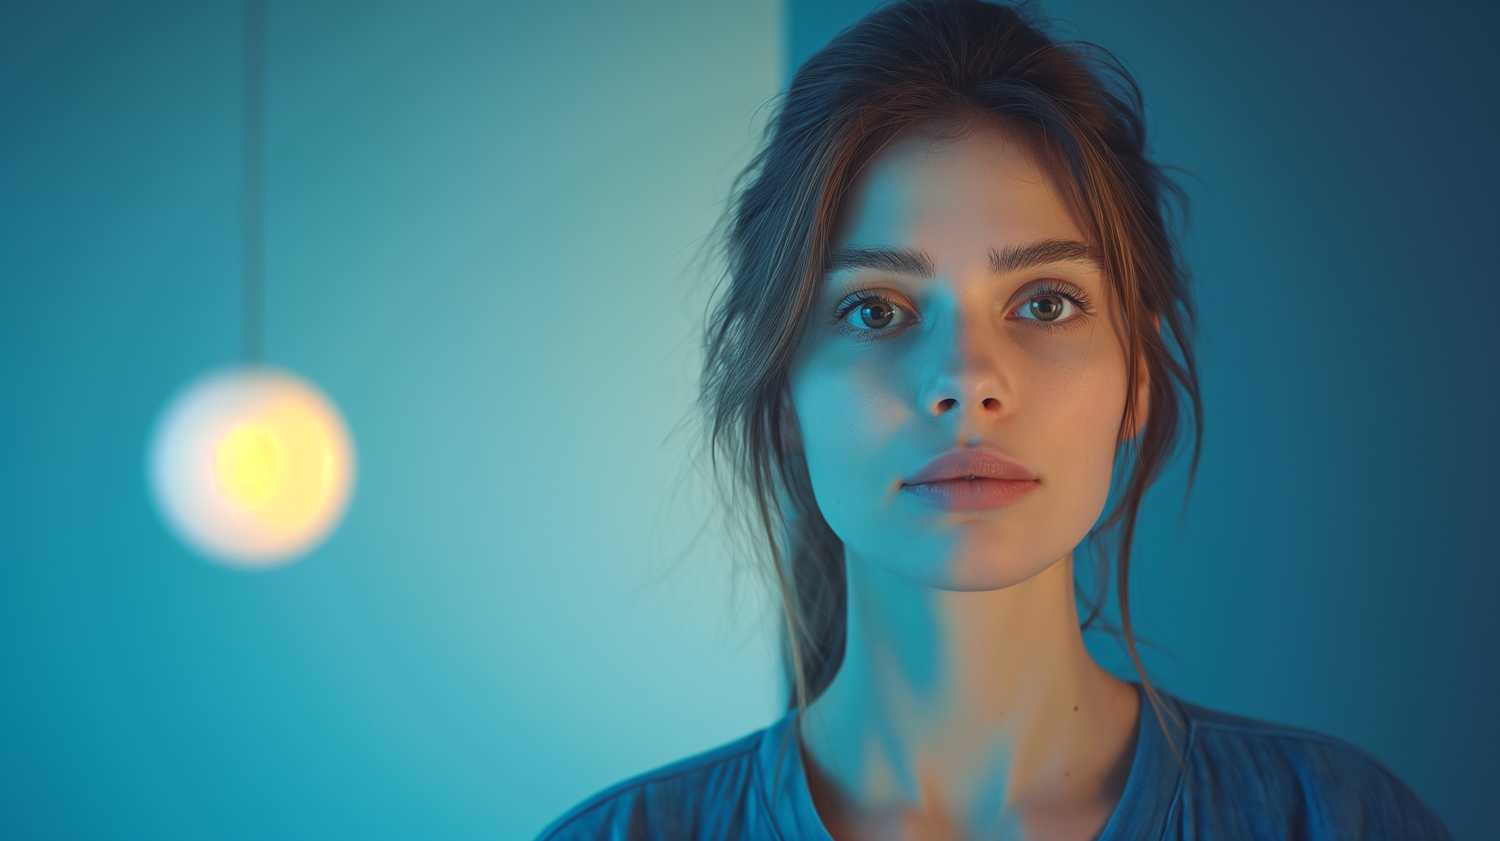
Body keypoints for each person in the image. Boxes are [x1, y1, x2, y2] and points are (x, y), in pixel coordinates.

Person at [538, 1, 1452, 838]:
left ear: (1137, 375)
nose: (967, 382)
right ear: (780, 392)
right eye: (875, 309)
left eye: (1046, 303)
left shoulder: (1341, 818)